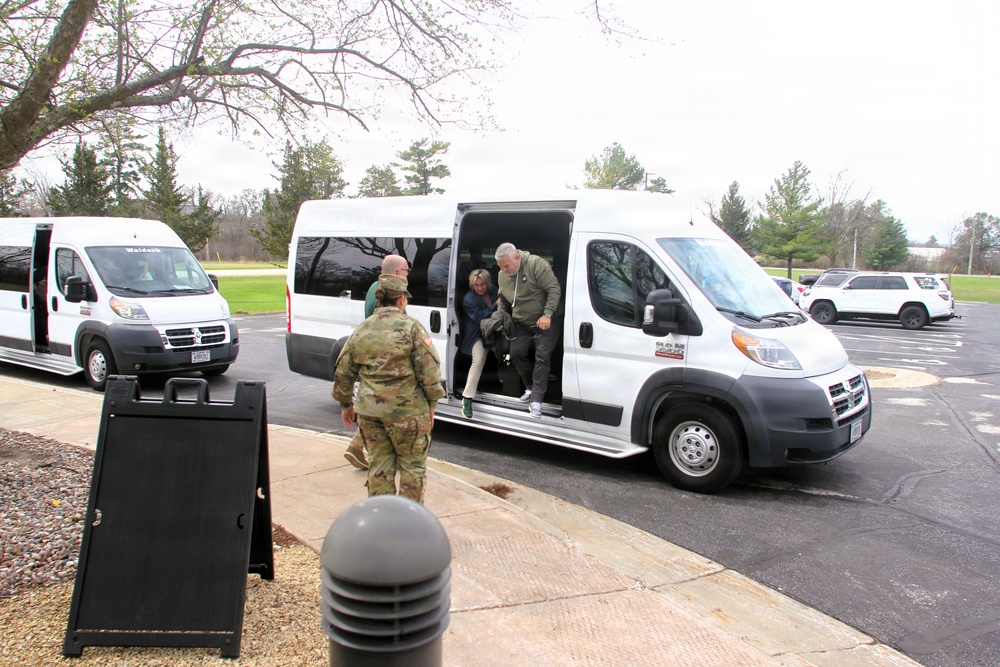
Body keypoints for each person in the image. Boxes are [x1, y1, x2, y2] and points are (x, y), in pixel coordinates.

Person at [332, 274, 445, 503]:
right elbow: (429, 372)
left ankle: (383, 522)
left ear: (379, 300)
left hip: (371, 414)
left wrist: (346, 404)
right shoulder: (412, 328)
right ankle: (409, 524)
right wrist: (432, 404)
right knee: (412, 468)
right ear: (402, 299)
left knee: (379, 468)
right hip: (408, 414)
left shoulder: (362, 329)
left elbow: (343, 372)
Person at [343, 254, 411, 469]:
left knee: (375, 406)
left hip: (372, 358)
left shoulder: (374, 287)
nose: (408, 275)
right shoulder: (392, 293)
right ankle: (391, 457)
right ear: (399, 272)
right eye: (407, 271)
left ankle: (356, 446)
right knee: (389, 410)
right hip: (387, 360)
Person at [494, 242, 561, 419]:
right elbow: (503, 299)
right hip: (522, 323)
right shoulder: (502, 274)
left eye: (507, 265)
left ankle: (537, 401)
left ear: (517, 257)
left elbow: (554, 289)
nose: (504, 270)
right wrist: (500, 317)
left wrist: (547, 314)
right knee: (516, 353)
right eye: (501, 267)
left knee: (542, 358)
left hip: (545, 322)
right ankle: (531, 387)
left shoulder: (536, 265)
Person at [459, 268, 498, 419]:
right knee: (478, 360)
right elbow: (479, 317)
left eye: (482, 284)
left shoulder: (494, 290)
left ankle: (506, 381)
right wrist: (496, 304)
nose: (480, 288)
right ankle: (467, 398)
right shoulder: (469, 299)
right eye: (476, 285)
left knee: (507, 355)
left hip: (494, 333)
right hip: (477, 335)